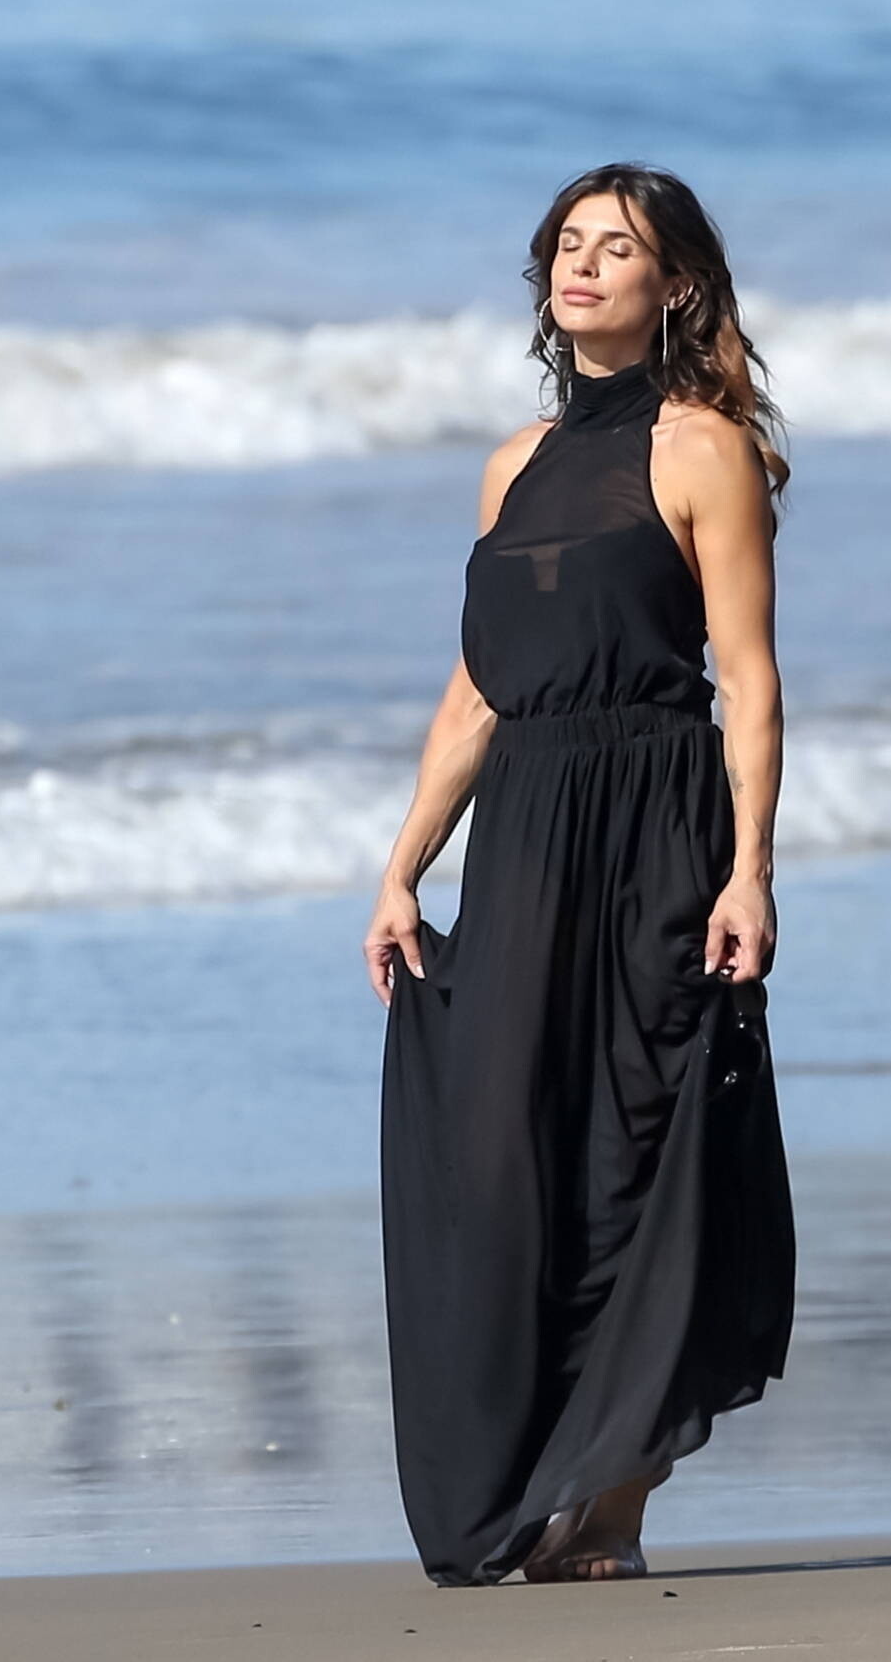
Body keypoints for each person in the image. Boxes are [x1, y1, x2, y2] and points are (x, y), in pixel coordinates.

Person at [363, 162, 797, 1588]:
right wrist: (402, 869)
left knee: (632, 1146)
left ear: (676, 285)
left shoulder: (704, 450)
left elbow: (749, 680)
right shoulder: (516, 463)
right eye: (567, 241)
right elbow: (478, 692)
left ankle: (613, 1503)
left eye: (617, 246)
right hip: (529, 830)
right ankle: (529, 1469)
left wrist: (750, 873)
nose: (583, 262)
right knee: (506, 1152)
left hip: (658, 820)